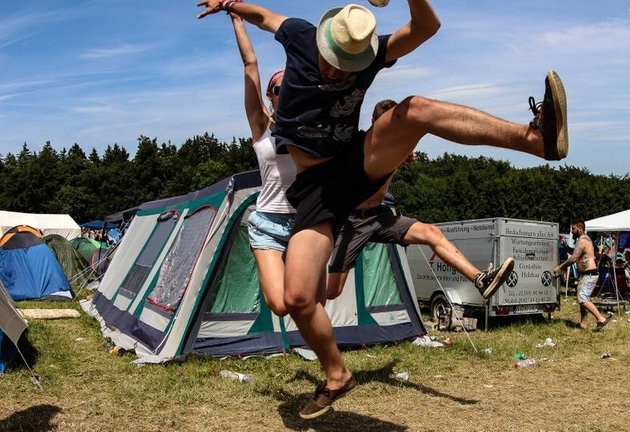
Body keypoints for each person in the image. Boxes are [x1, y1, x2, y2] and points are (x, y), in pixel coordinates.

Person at [198, 0, 568, 419]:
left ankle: (534, 140)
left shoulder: (369, 55)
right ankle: (337, 375)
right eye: (333, 61)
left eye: (347, 65)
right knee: (298, 298)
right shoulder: (300, 35)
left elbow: (426, 26)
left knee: (416, 110)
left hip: (353, 161)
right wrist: (231, 5)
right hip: (314, 190)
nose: (338, 71)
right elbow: (264, 19)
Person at [326, 99, 515, 301]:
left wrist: (406, 155)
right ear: (374, 122)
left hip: (380, 216)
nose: (391, 132)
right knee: (333, 291)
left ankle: (480, 279)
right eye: (385, 125)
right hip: (353, 220)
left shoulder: (399, 145)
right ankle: (298, 293)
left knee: (432, 233)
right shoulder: (362, 145)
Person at [230, 12, 296, 317]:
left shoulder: (312, 128)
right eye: (280, 89)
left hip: (308, 222)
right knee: (279, 304)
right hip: (268, 221)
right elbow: (250, 65)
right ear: (271, 96)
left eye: (293, 87)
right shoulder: (262, 126)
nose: (288, 92)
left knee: (305, 299)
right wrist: (237, 17)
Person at [554, 219, 609, 331]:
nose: (572, 231)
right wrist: (565, 246)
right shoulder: (583, 239)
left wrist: (561, 267)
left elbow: (573, 258)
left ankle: (600, 319)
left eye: (573, 229)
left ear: (579, 228)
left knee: (582, 299)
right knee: (583, 299)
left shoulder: (582, 240)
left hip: (589, 274)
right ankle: (583, 323)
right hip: (587, 274)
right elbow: (576, 253)